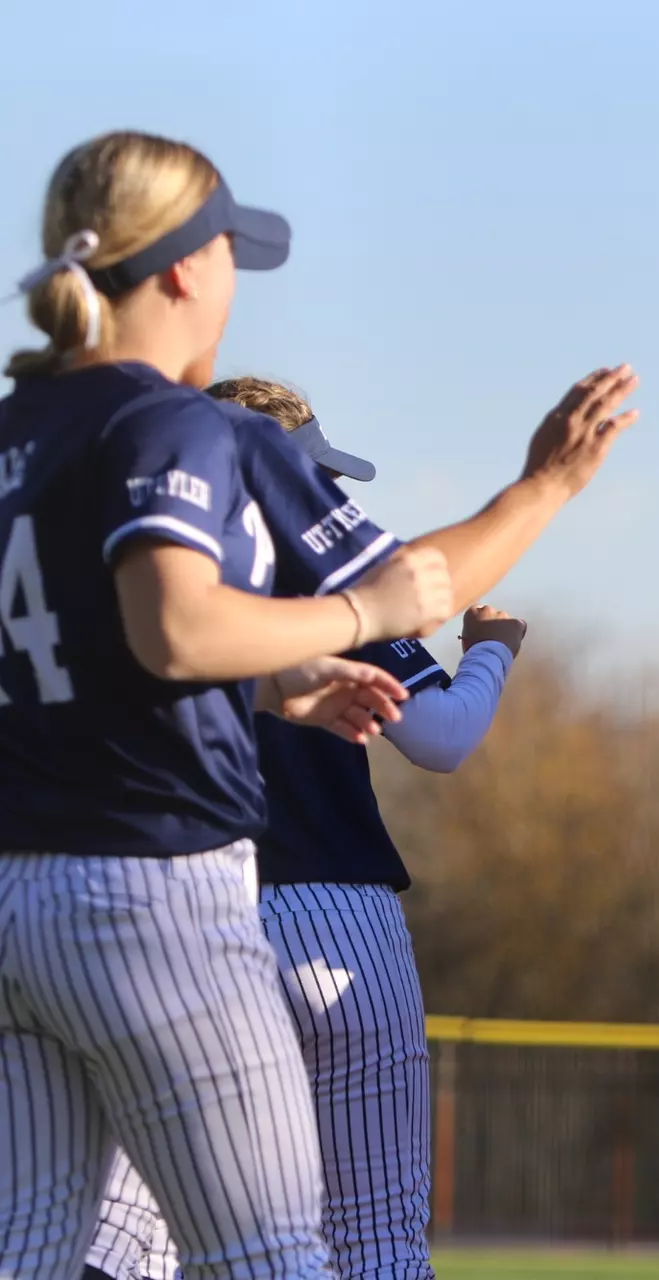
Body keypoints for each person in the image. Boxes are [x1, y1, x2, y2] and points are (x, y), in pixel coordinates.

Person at [0, 129, 456, 1279]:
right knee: (297, 1249)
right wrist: (375, 611)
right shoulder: (169, 426)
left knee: (60, 1247)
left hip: (23, 883)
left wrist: (275, 680)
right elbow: (186, 632)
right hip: (178, 889)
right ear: (183, 270)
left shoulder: (30, 440)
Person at [81, 372, 568, 1280]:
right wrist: (491, 654)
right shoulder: (337, 580)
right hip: (340, 919)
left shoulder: (144, 583)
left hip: (189, 921)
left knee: (130, 1238)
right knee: (375, 1241)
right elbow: (441, 739)